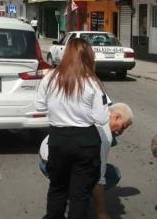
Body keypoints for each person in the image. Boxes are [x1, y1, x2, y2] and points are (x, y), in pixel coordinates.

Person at [35, 38, 109, 219]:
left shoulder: (50, 77)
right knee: (80, 194)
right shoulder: (92, 82)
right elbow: (101, 118)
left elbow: (39, 106)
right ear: (88, 57)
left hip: (58, 139)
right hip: (85, 141)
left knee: (57, 188)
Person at [39, 102, 134, 219]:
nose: (121, 132)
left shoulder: (90, 114)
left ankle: (71, 194)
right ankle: (75, 198)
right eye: (123, 126)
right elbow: (100, 177)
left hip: (48, 160)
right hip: (55, 163)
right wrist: (101, 212)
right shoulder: (103, 133)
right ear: (116, 116)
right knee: (109, 175)